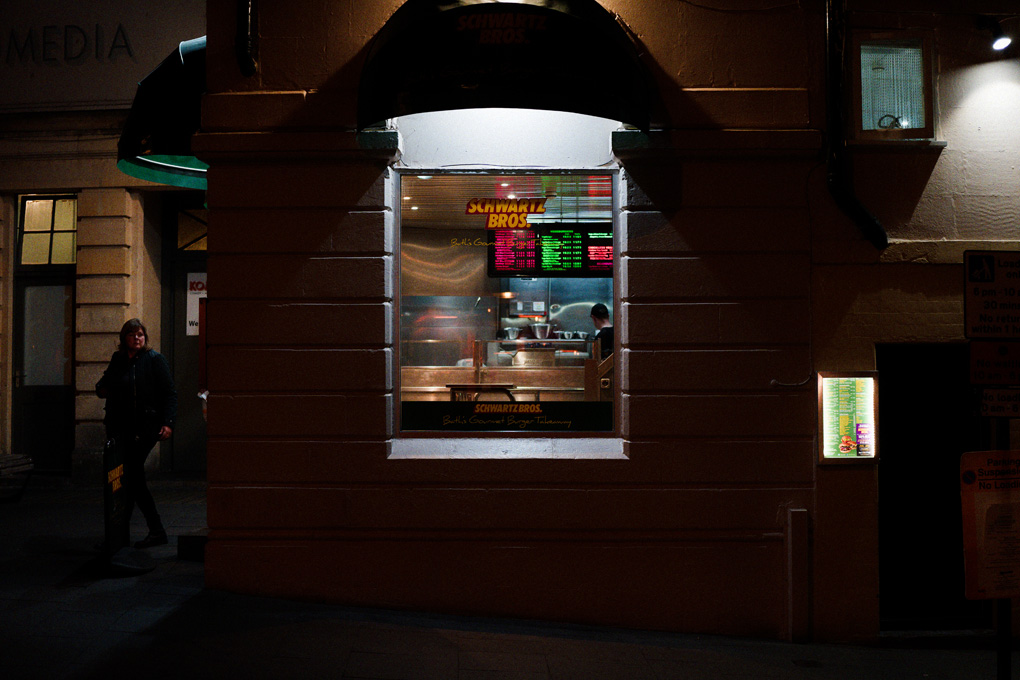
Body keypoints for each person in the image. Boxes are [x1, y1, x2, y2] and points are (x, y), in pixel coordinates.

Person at [96, 319, 177, 549]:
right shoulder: (118, 360)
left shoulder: (154, 360)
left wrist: (168, 423)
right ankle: (125, 534)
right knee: (130, 479)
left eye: (140, 334)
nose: (137, 338)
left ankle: (148, 531)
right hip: (121, 429)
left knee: (131, 476)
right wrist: (103, 389)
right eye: (132, 335)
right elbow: (103, 385)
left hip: (145, 429)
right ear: (124, 338)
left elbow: (170, 393)